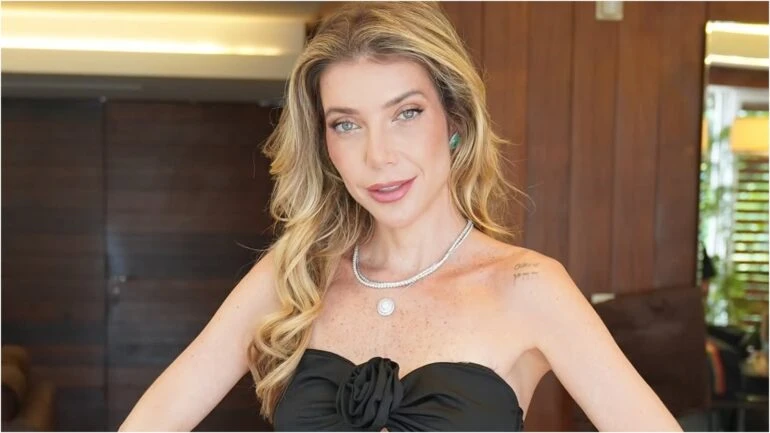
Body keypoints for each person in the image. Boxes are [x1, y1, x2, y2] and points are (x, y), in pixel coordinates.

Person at [119, 2, 682, 431]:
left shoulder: (528, 287)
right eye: (346, 124)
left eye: (406, 114)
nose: (378, 155)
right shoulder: (291, 277)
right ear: (325, 146)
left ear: (454, 120)